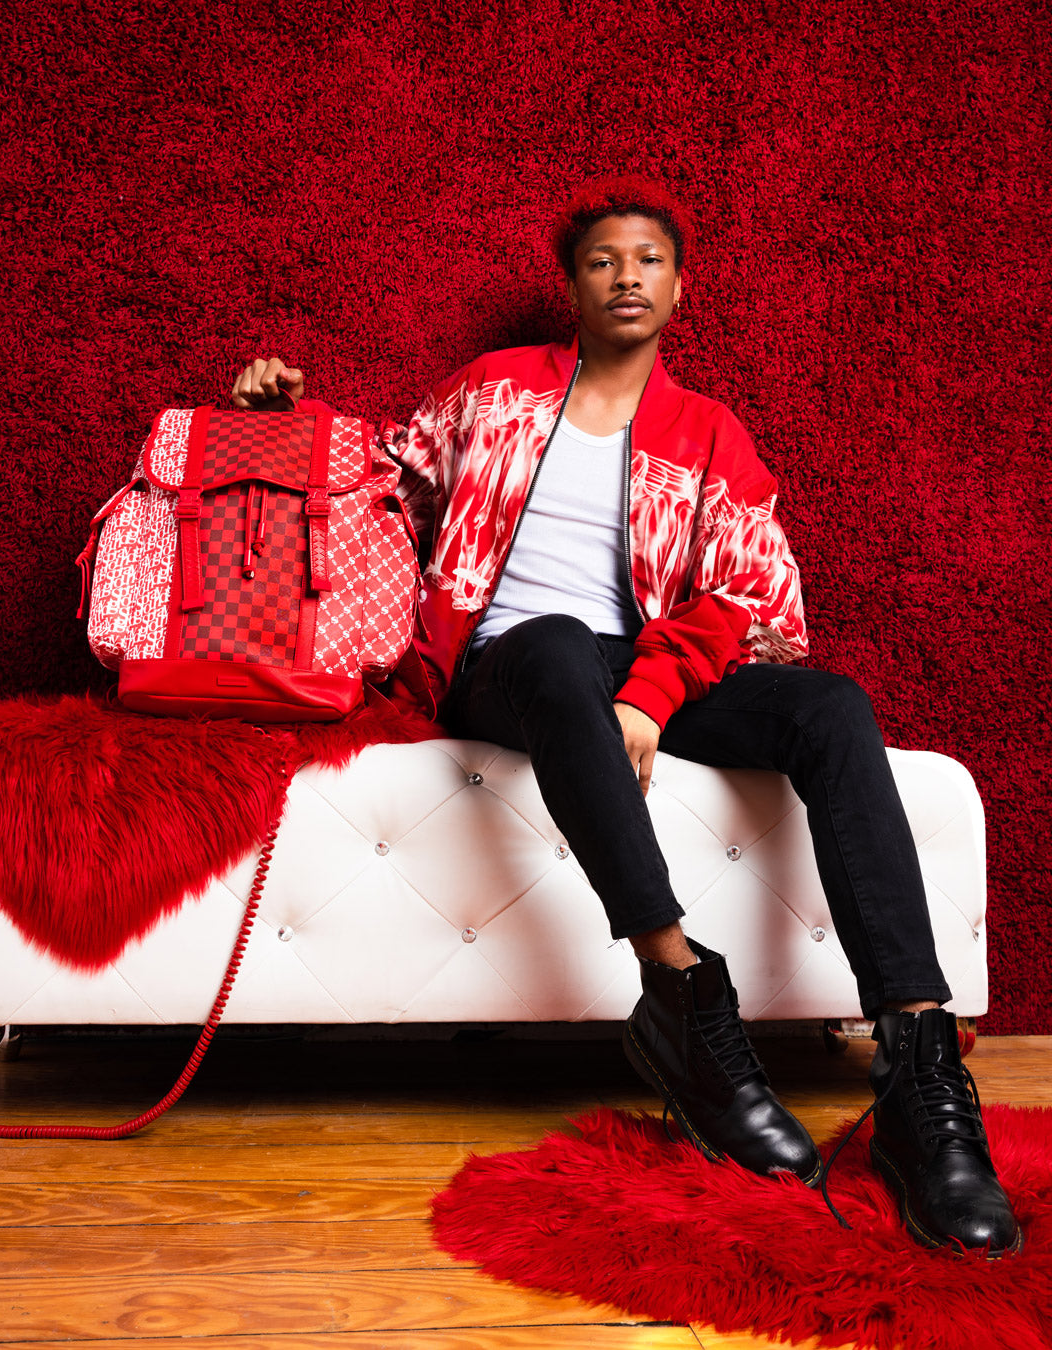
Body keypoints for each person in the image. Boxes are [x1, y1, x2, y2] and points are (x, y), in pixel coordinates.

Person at [231, 175, 1021, 1257]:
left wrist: (649, 695)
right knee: (555, 638)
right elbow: (383, 482)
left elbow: (748, 593)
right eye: (603, 260)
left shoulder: (707, 433)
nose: (626, 276)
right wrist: (282, 423)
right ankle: (681, 994)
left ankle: (919, 1067)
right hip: (508, 662)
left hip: (642, 667)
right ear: (573, 288)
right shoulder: (497, 390)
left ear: (680, 288)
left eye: (649, 259)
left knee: (833, 706)